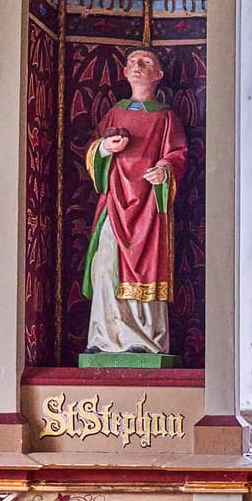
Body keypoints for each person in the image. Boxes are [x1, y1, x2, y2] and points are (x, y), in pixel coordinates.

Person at [81, 48, 187, 357]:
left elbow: (177, 154)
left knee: (145, 266)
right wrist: (104, 147)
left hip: (148, 207)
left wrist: (165, 169)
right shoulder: (115, 113)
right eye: (131, 63)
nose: (137, 67)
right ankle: (104, 338)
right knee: (105, 265)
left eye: (146, 63)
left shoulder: (166, 117)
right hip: (115, 202)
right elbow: (93, 149)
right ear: (124, 73)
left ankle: (143, 341)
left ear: (158, 75)